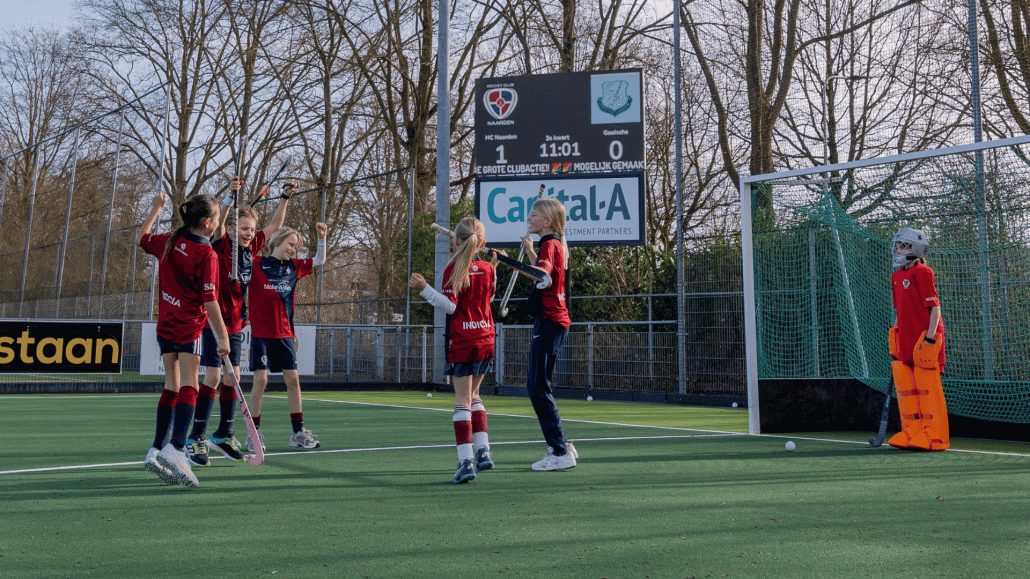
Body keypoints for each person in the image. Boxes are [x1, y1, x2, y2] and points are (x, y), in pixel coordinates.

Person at [185, 177, 292, 467]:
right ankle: (194, 439)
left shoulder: (251, 248)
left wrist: (284, 196)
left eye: (251, 230)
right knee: (214, 377)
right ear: (232, 228)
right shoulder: (220, 246)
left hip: (235, 325)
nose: (249, 233)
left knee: (233, 378)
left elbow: (274, 226)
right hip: (212, 321)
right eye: (244, 228)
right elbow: (219, 225)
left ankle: (223, 435)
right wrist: (231, 197)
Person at [138, 193, 231, 487]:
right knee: (190, 383)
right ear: (207, 224)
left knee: (172, 384)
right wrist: (223, 335)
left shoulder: (170, 240)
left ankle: (155, 449)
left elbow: (142, 238)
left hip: (164, 325)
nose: (219, 223)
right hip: (188, 327)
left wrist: (155, 209)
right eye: (217, 219)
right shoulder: (208, 255)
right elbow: (210, 300)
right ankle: (176, 448)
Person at [408, 217, 499, 484]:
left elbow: (450, 307)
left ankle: (466, 461)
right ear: (480, 243)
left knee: (462, 401)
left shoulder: (453, 268)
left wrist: (425, 289)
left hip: (464, 340)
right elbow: (488, 299)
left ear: (457, 241)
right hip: (486, 338)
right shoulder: (488, 269)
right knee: (475, 395)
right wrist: (492, 266)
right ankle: (483, 451)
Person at [245, 222, 327, 452]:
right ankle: (254, 432)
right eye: (291, 244)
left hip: (285, 334)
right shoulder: (255, 263)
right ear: (277, 241)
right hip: (261, 334)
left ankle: (298, 432)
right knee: (261, 381)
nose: (293, 249)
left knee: (293, 380)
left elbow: (319, 260)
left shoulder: (295, 267)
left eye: (297, 246)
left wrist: (321, 237)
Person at [519, 198, 577, 471]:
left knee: (537, 388)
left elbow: (542, 276)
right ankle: (563, 444)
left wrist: (511, 262)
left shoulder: (550, 244)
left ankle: (559, 449)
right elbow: (545, 275)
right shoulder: (552, 245)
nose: (529, 218)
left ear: (547, 222)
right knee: (538, 386)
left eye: (534, 215)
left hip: (550, 321)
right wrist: (530, 252)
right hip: (553, 321)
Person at [888, 227, 949, 451]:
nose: (897, 249)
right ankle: (912, 430)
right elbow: (899, 311)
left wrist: (931, 339)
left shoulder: (923, 272)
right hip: (906, 340)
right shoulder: (896, 276)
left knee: (926, 389)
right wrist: (896, 335)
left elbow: (935, 308)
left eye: (902, 245)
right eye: (897, 245)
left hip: (925, 340)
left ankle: (934, 434)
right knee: (908, 390)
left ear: (914, 248)